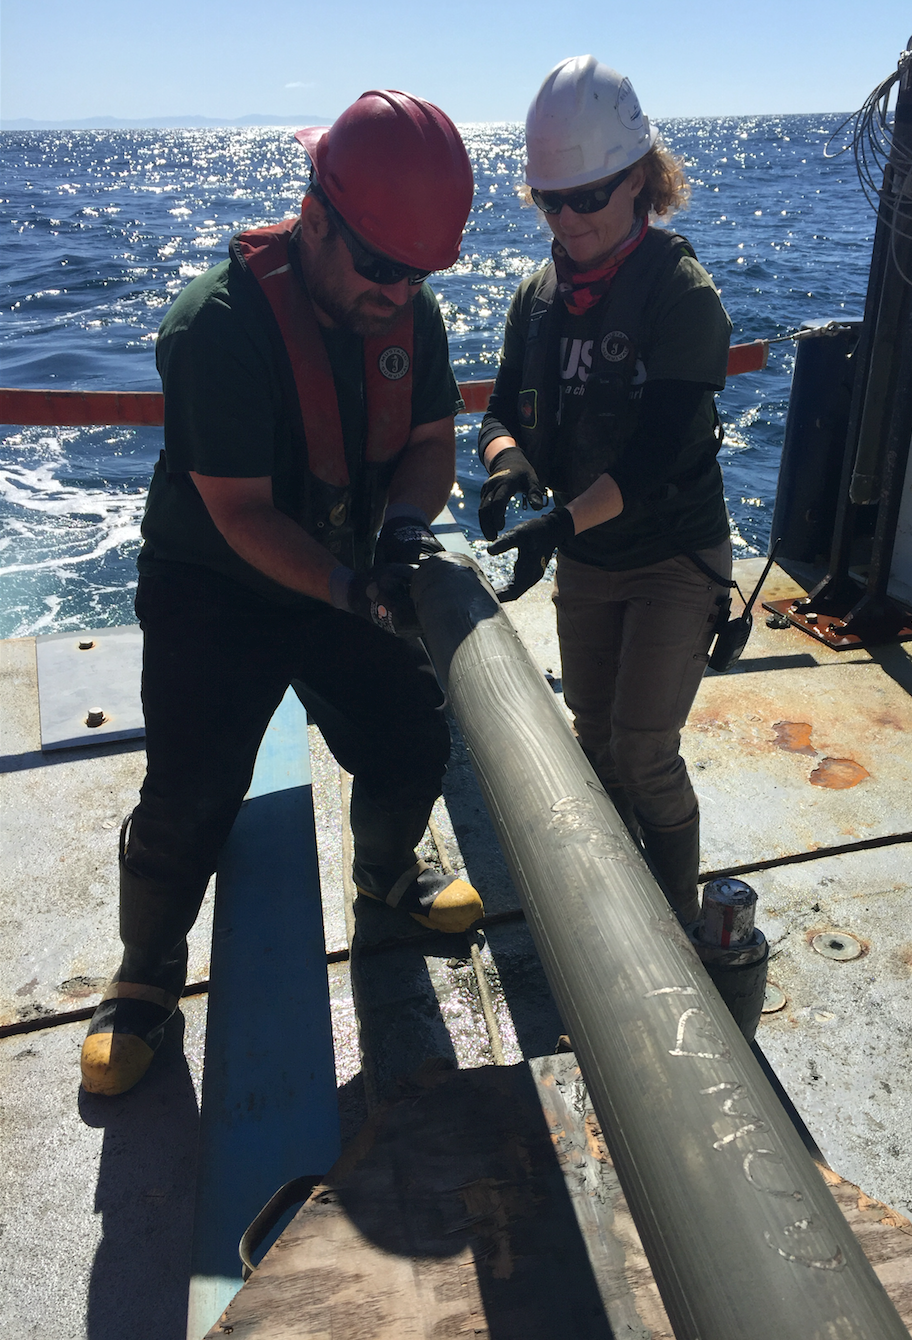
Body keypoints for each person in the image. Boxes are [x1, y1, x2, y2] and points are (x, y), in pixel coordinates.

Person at [81, 90, 483, 1097]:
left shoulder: (404, 309)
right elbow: (241, 514)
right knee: (188, 793)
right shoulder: (215, 327)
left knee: (410, 735)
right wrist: (353, 590)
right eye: (384, 267)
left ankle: (387, 872)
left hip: (346, 564)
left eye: (421, 274)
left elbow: (431, 443)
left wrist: (397, 536)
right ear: (314, 221)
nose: (401, 293)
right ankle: (145, 973)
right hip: (216, 581)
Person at [479, 55, 733, 925]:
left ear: (639, 183)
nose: (569, 217)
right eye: (553, 199)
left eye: (589, 196)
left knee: (644, 747)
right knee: (592, 736)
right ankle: (622, 915)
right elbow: (501, 410)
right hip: (586, 549)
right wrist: (508, 459)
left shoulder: (679, 291)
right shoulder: (537, 298)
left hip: (671, 554)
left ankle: (676, 928)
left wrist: (560, 521)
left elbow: (662, 449)